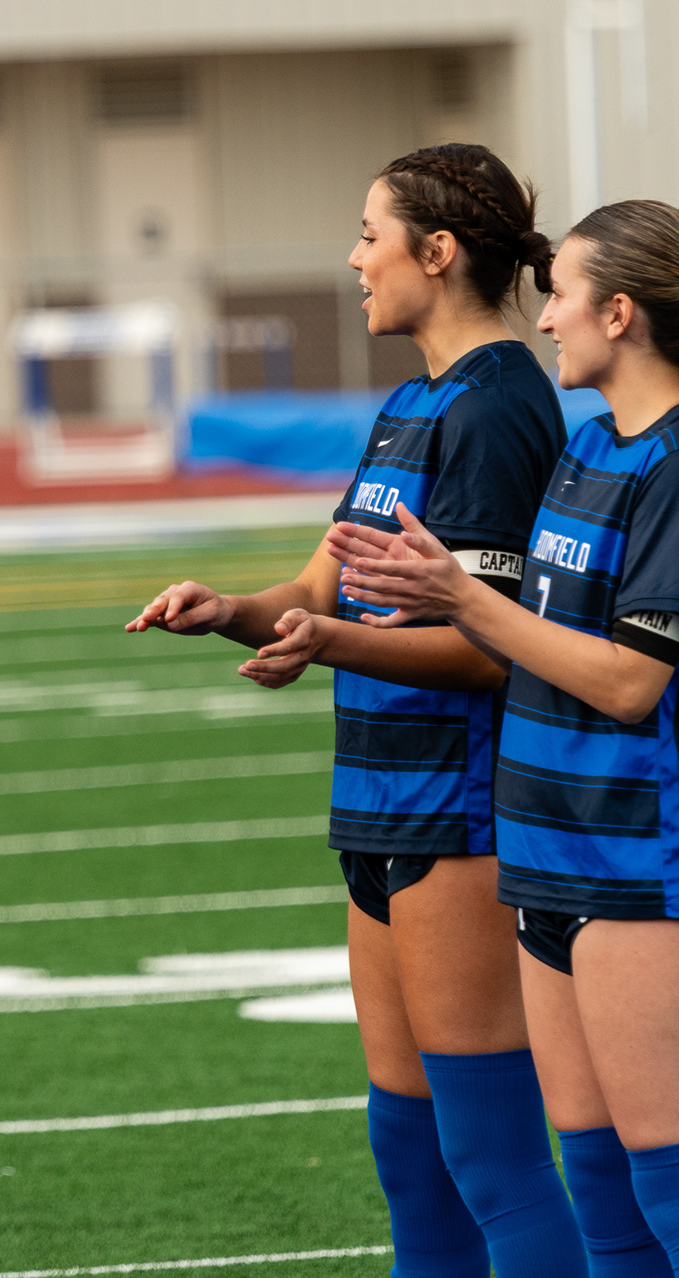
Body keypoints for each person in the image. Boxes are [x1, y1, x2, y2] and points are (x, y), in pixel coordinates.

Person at [127, 144, 587, 1275]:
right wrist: (234, 611)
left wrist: (328, 643)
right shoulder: (408, 404)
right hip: (378, 806)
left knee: (492, 1158)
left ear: (437, 252)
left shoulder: (498, 408)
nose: (353, 258)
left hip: (459, 814)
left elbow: (495, 648)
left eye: (370, 234)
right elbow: (318, 590)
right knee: (411, 1154)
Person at [334, 199, 679, 1274]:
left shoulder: (672, 464)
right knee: (605, 1201)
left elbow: (630, 681)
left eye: (564, 294)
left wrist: (462, 600)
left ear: (620, 313)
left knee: (663, 1190)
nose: (548, 316)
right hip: (545, 850)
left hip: (632, 858)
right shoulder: (589, 448)